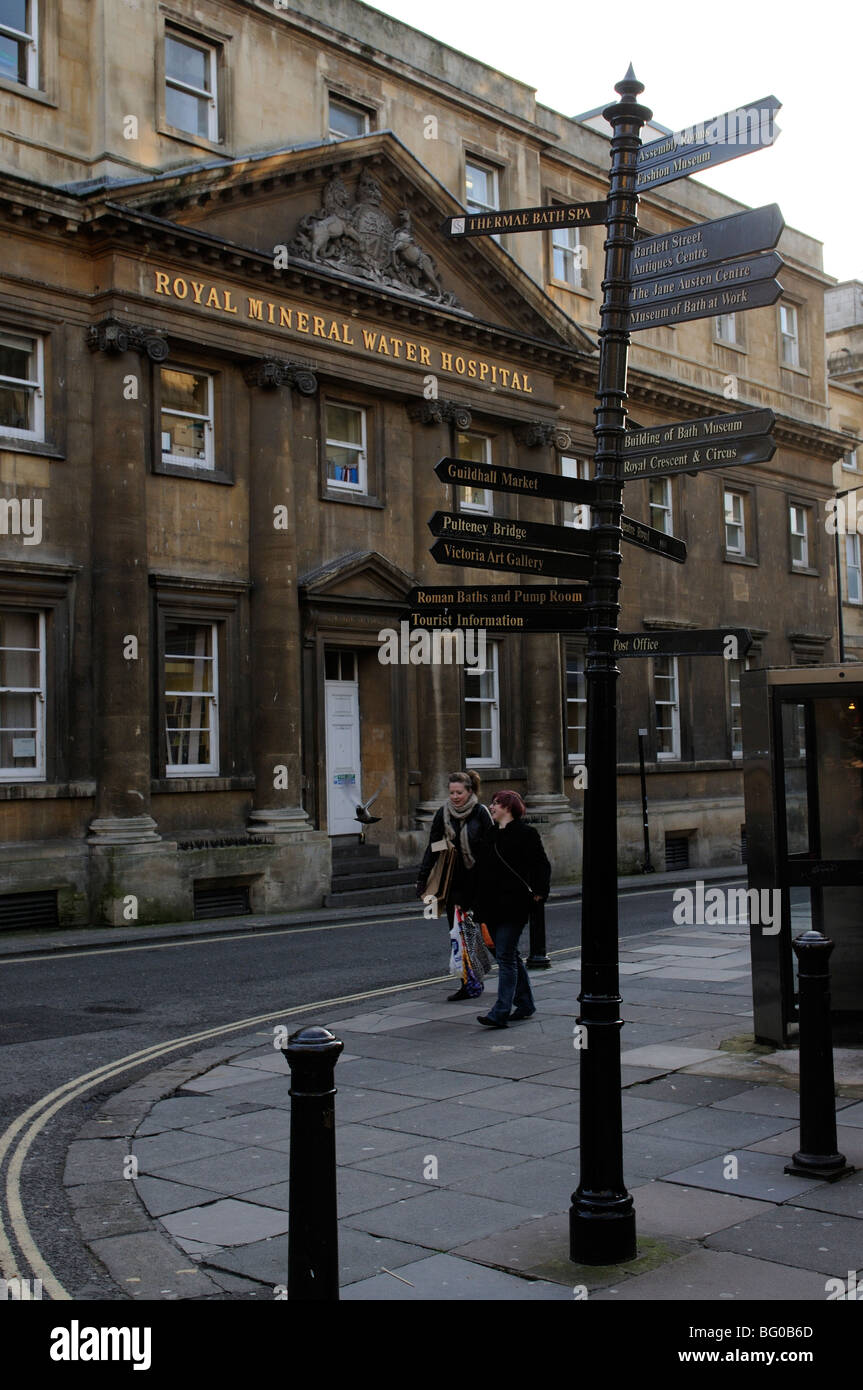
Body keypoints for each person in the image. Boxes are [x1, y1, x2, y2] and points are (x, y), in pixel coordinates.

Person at [416, 769, 494, 1001]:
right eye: (451, 792)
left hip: (478, 882)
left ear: (470, 791)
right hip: (454, 882)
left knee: (487, 934)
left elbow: (491, 848)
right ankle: (468, 983)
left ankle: (512, 974)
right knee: (459, 934)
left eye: (459, 792)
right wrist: (423, 878)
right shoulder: (444, 814)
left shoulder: (481, 813)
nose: (455, 797)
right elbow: (434, 847)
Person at [476, 790, 551, 1027]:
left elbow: (541, 864)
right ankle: (525, 1003)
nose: (492, 807)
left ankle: (500, 1011)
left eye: (496, 803)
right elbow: (481, 871)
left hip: (515, 905)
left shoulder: (526, 834)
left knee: (506, 956)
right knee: (507, 954)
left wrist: (540, 892)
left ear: (508, 808)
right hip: (491, 905)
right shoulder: (489, 834)